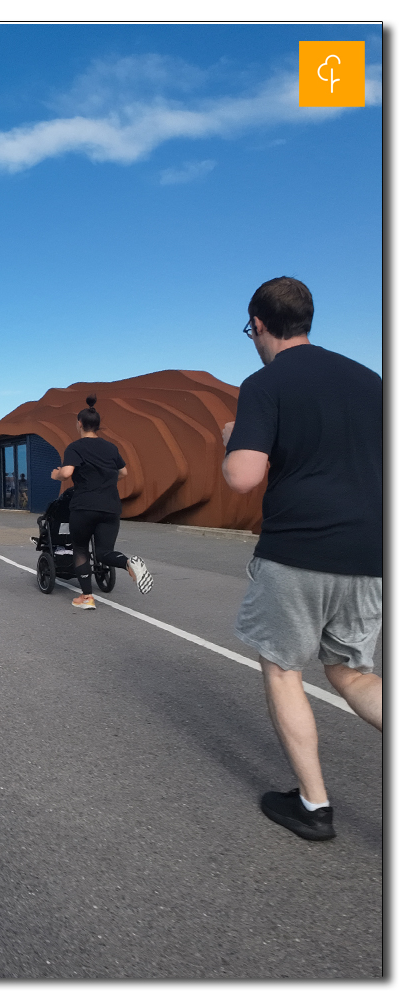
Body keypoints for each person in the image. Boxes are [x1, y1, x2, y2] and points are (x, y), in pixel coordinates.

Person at [221, 276, 382, 842]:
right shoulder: (371, 381)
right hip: (371, 553)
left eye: (250, 330)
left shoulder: (266, 384)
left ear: (259, 324)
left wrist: (231, 441)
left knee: (285, 668)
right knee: (352, 673)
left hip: (300, 549)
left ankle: (314, 806)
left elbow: (243, 478)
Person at [49, 396, 153, 610]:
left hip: (84, 506)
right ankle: (127, 562)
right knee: (104, 552)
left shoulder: (75, 447)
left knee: (79, 548)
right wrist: (104, 481)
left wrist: (56, 475)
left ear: (79, 423)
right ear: (97, 425)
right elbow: (123, 472)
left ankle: (87, 598)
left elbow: (67, 473)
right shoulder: (110, 448)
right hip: (110, 506)